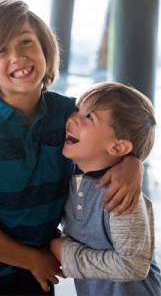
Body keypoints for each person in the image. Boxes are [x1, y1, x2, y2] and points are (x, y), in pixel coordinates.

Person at [0, 0, 143, 296]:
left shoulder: (68, 115)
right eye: (1, 50)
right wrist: (34, 260)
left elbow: (115, 133)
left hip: (38, 269)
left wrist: (133, 161)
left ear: (46, 48)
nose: (18, 56)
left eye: (26, 42)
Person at [50, 82, 161, 296]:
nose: (72, 119)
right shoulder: (71, 176)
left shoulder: (121, 195)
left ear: (118, 147)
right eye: (76, 110)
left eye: (89, 117)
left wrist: (66, 254)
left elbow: (133, 265)